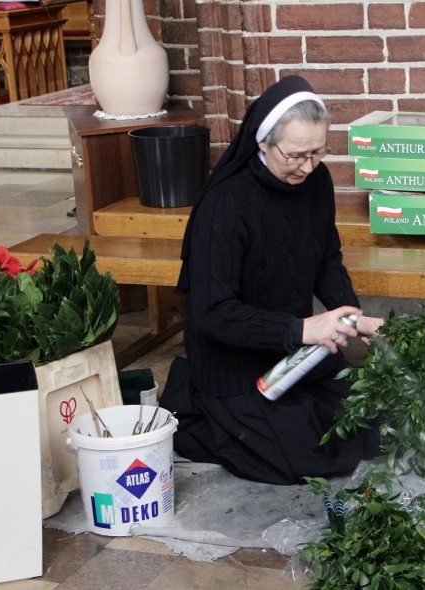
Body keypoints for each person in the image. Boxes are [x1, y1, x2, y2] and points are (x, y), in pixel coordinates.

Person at [160, 75, 383, 485]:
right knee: (303, 460)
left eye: (319, 152)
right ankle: (195, 408)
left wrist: (351, 315)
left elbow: (326, 259)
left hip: (293, 353)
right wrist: (301, 328)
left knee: (371, 426)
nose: (308, 166)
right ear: (263, 142)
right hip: (234, 363)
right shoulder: (225, 205)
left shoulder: (316, 181)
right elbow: (212, 313)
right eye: (296, 155)